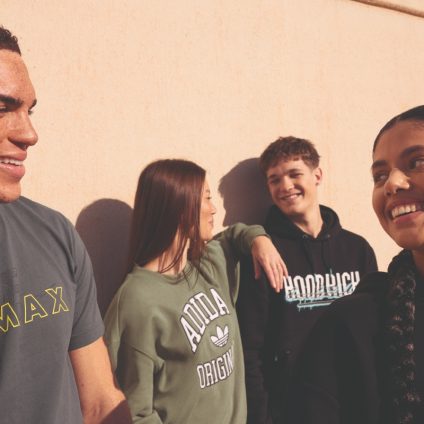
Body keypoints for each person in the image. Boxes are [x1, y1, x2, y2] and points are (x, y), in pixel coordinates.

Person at [0, 27, 131, 423]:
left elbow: (100, 400)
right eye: (2, 108)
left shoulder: (55, 234)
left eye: (29, 111)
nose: (30, 134)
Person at [104, 158, 287, 424]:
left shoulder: (208, 264)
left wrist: (259, 239)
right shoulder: (136, 301)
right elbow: (135, 411)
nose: (214, 209)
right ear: (181, 207)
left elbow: (236, 235)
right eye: (207, 198)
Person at [236, 136, 378, 423]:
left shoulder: (356, 249)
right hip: (293, 408)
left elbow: (375, 329)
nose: (285, 186)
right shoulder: (265, 255)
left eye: (294, 174)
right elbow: (249, 349)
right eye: (275, 179)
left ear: (317, 175)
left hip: (355, 400)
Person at [298, 105, 424, 424]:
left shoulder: (354, 247)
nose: (391, 184)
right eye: (379, 175)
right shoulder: (351, 326)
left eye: (418, 162)